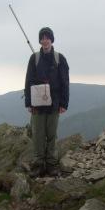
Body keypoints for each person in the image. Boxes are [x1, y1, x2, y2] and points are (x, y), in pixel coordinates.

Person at [24, 27, 69, 177]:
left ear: (51, 39)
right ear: (40, 41)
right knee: (37, 135)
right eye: (42, 38)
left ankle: (51, 165)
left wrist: (64, 103)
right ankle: (38, 165)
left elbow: (65, 82)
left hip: (54, 103)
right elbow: (28, 80)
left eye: (47, 37)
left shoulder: (59, 58)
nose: (45, 40)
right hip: (37, 104)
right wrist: (29, 103)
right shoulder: (34, 58)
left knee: (51, 135)